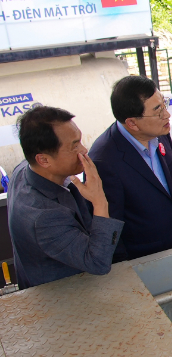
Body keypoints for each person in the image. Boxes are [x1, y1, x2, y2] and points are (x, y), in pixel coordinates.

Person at [7, 106, 124, 289]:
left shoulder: (24, 169)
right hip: (63, 296)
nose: (84, 150)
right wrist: (99, 200)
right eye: (74, 146)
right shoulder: (43, 216)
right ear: (43, 160)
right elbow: (98, 262)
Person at [89, 76, 172, 261]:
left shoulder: (160, 133)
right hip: (144, 260)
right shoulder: (105, 160)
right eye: (158, 111)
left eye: (164, 104)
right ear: (132, 123)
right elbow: (111, 226)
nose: (167, 115)